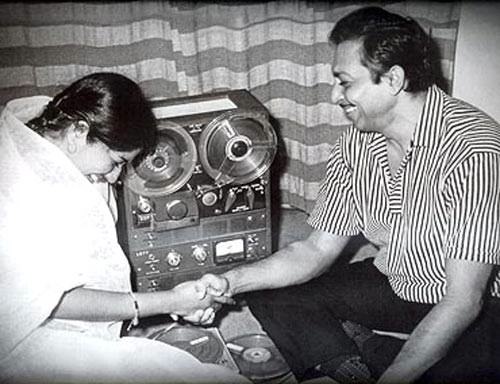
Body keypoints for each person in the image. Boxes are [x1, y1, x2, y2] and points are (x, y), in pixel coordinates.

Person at [202, 6, 500, 384]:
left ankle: (372, 350)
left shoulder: (475, 149)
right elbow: (314, 251)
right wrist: (230, 282)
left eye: (344, 81)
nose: (333, 95)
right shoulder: (355, 145)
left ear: (392, 79)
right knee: (269, 289)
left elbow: (463, 300)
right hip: (399, 281)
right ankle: (353, 363)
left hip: (478, 305)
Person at [0, 72, 246, 383]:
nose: (117, 178)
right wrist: (170, 300)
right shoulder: (16, 188)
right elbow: (52, 301)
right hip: (23, 337)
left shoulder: (57, 142)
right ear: (78, 132)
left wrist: (179, 299)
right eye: (117, 161)